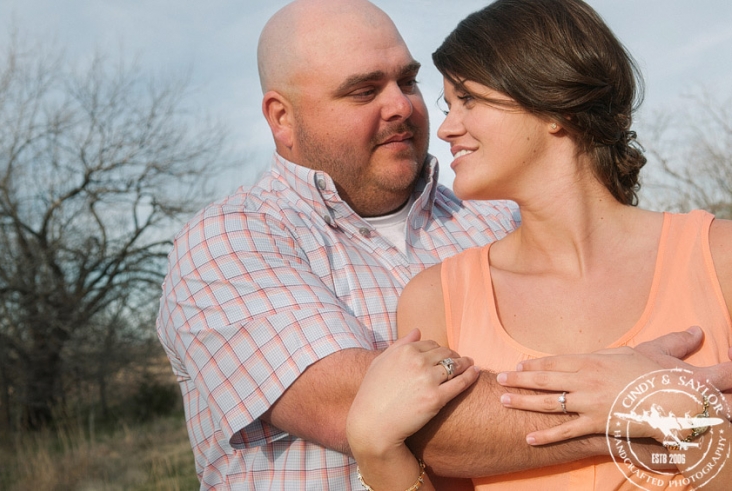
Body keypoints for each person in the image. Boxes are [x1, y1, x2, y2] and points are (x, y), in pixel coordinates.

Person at [156, 0, 729, 489]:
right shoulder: (228, 242)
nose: (405, 107)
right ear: (282, 118)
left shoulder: (498, 220)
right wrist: (658, 411)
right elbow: (403, 420)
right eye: (363, 91)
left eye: (407, 81)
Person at [346, 0, 732, 489]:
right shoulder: (438, 298)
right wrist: (376, 450)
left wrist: (660, 404)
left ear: (553, 104)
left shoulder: (720, 258)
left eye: (468, 99)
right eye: (448, 105)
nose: (445, 128)